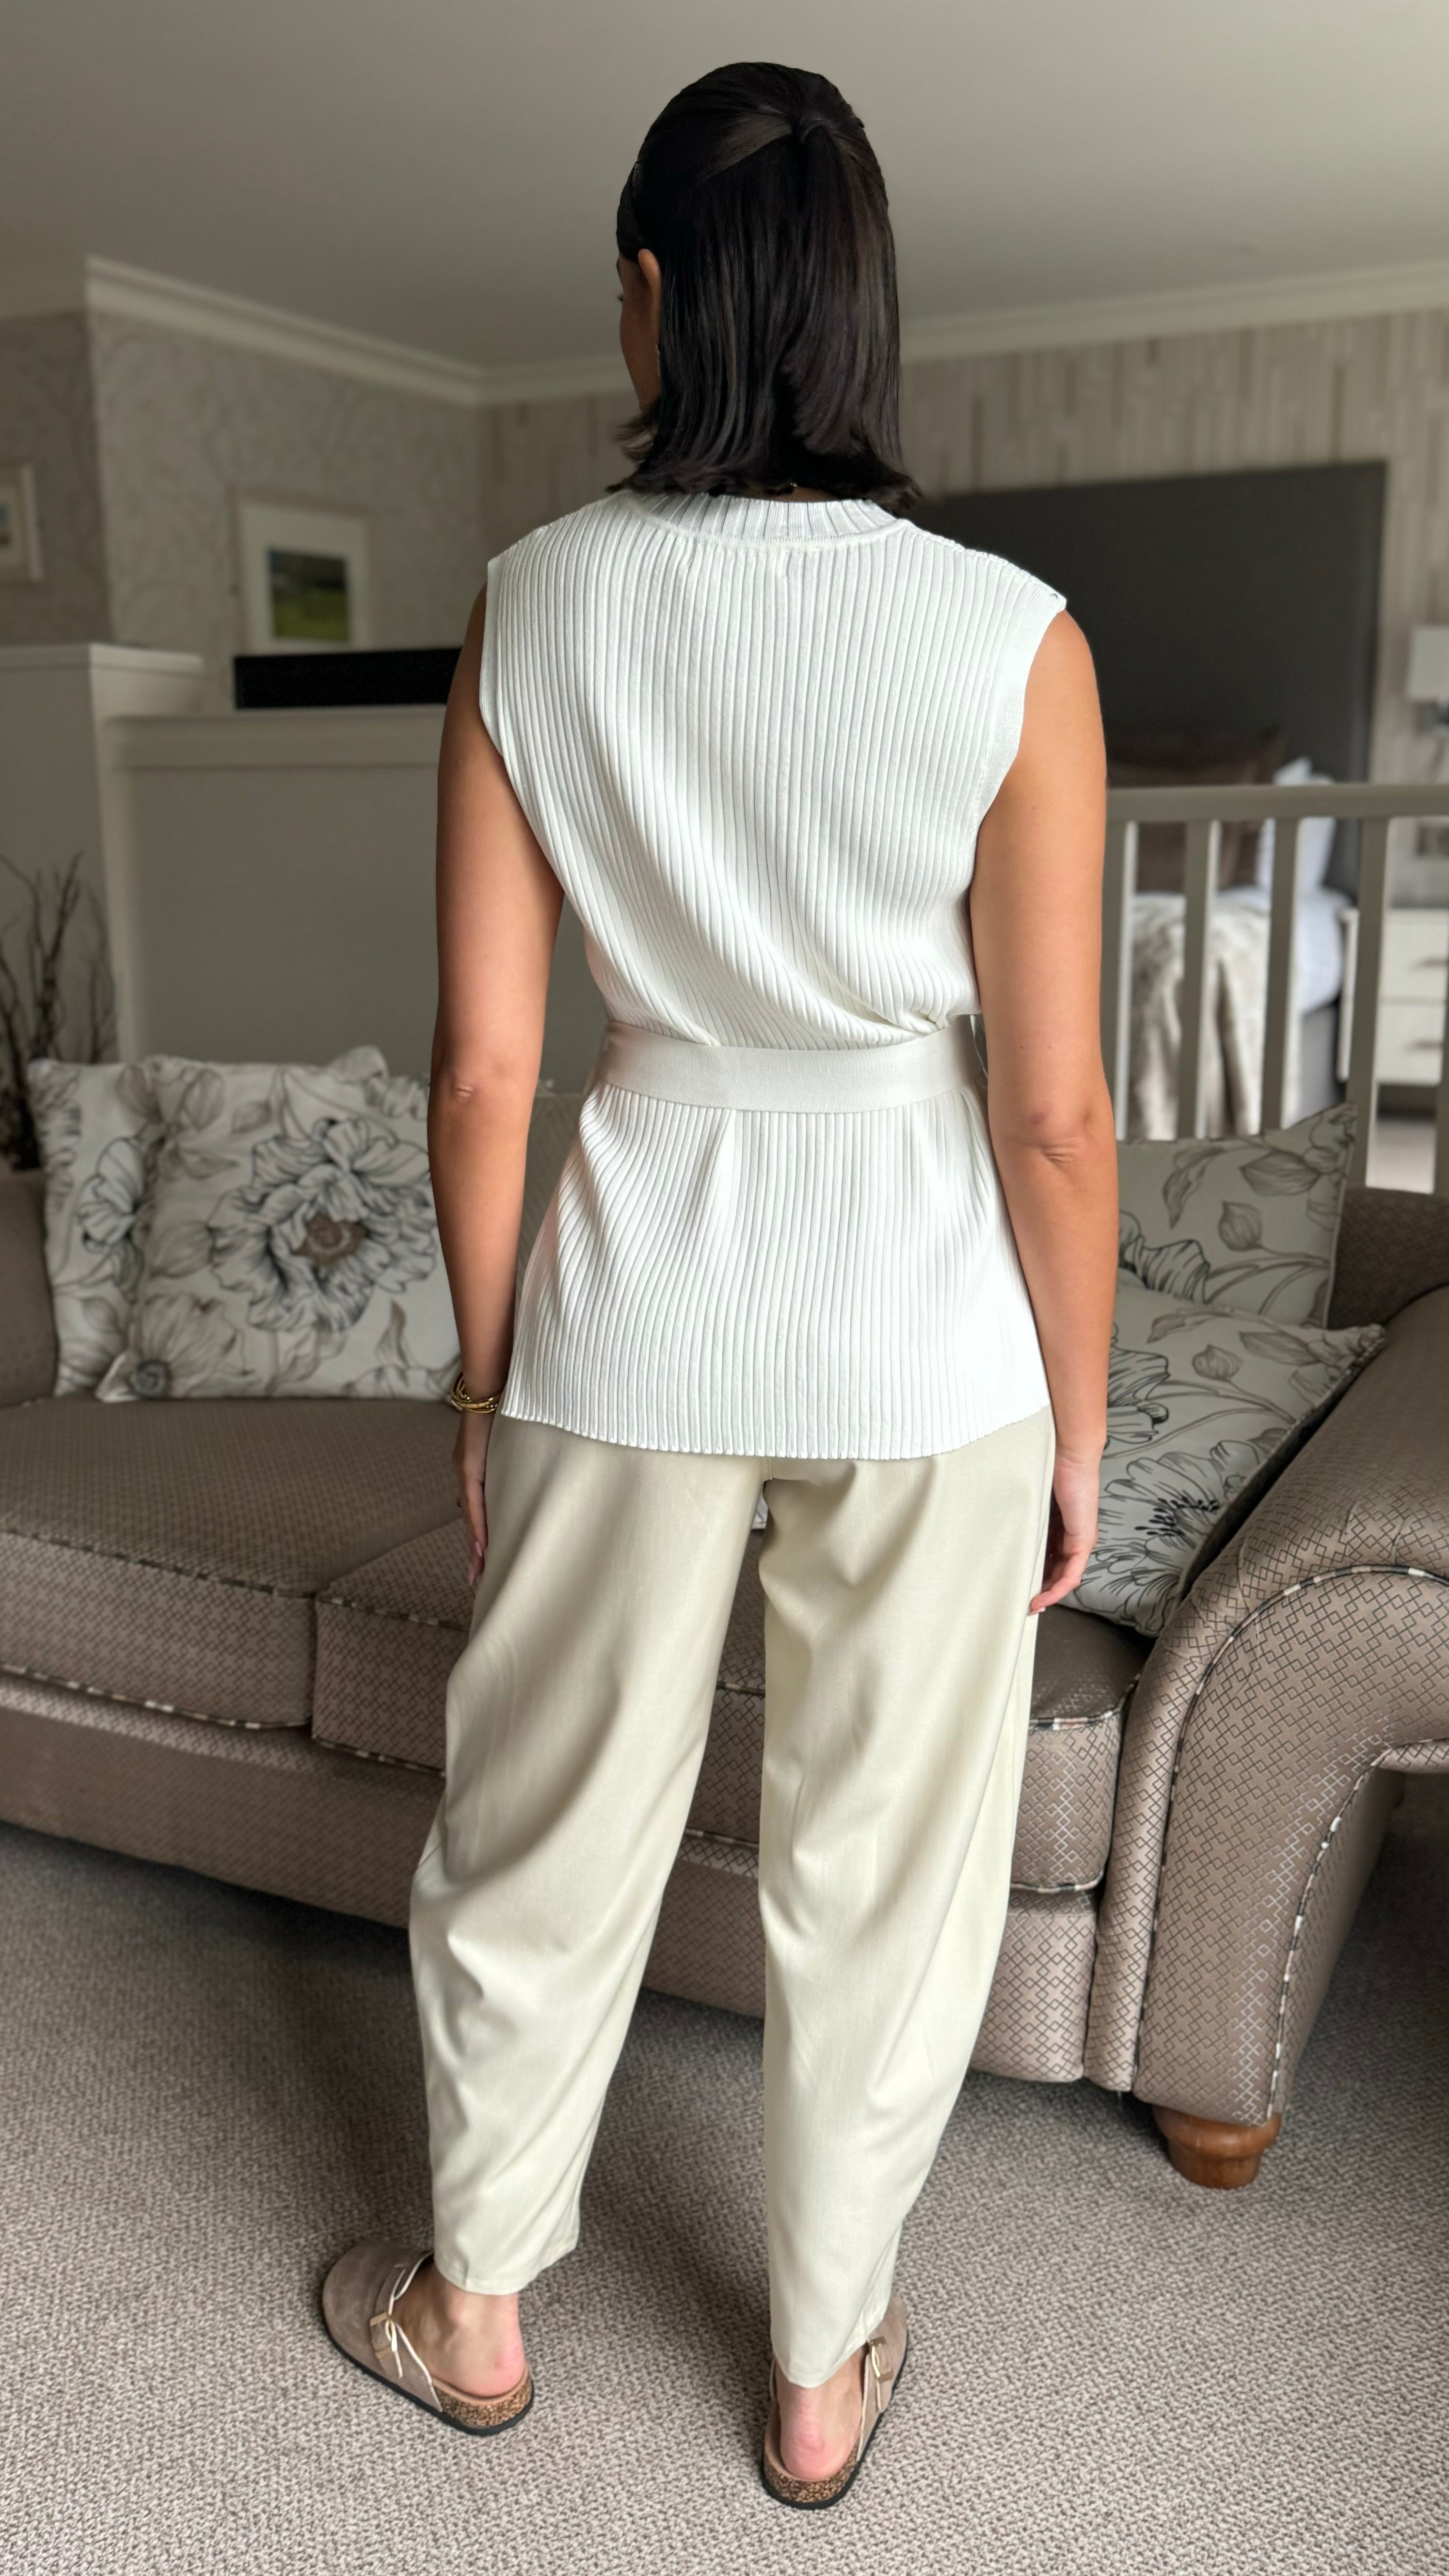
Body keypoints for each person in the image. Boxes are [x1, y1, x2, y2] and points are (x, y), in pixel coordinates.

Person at [322, 59, 1116, 2511]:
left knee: (545, 1817)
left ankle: (472, 2304)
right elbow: (1057, 1119)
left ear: (649, 302)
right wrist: (1079, 1428)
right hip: (927, 1328)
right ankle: (817, 2367)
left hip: (632, 1291)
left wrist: (490, 1374)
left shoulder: (529, 603)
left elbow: (486, 1068)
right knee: (883, 1873)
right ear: (867, 317)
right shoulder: (1013, 642)